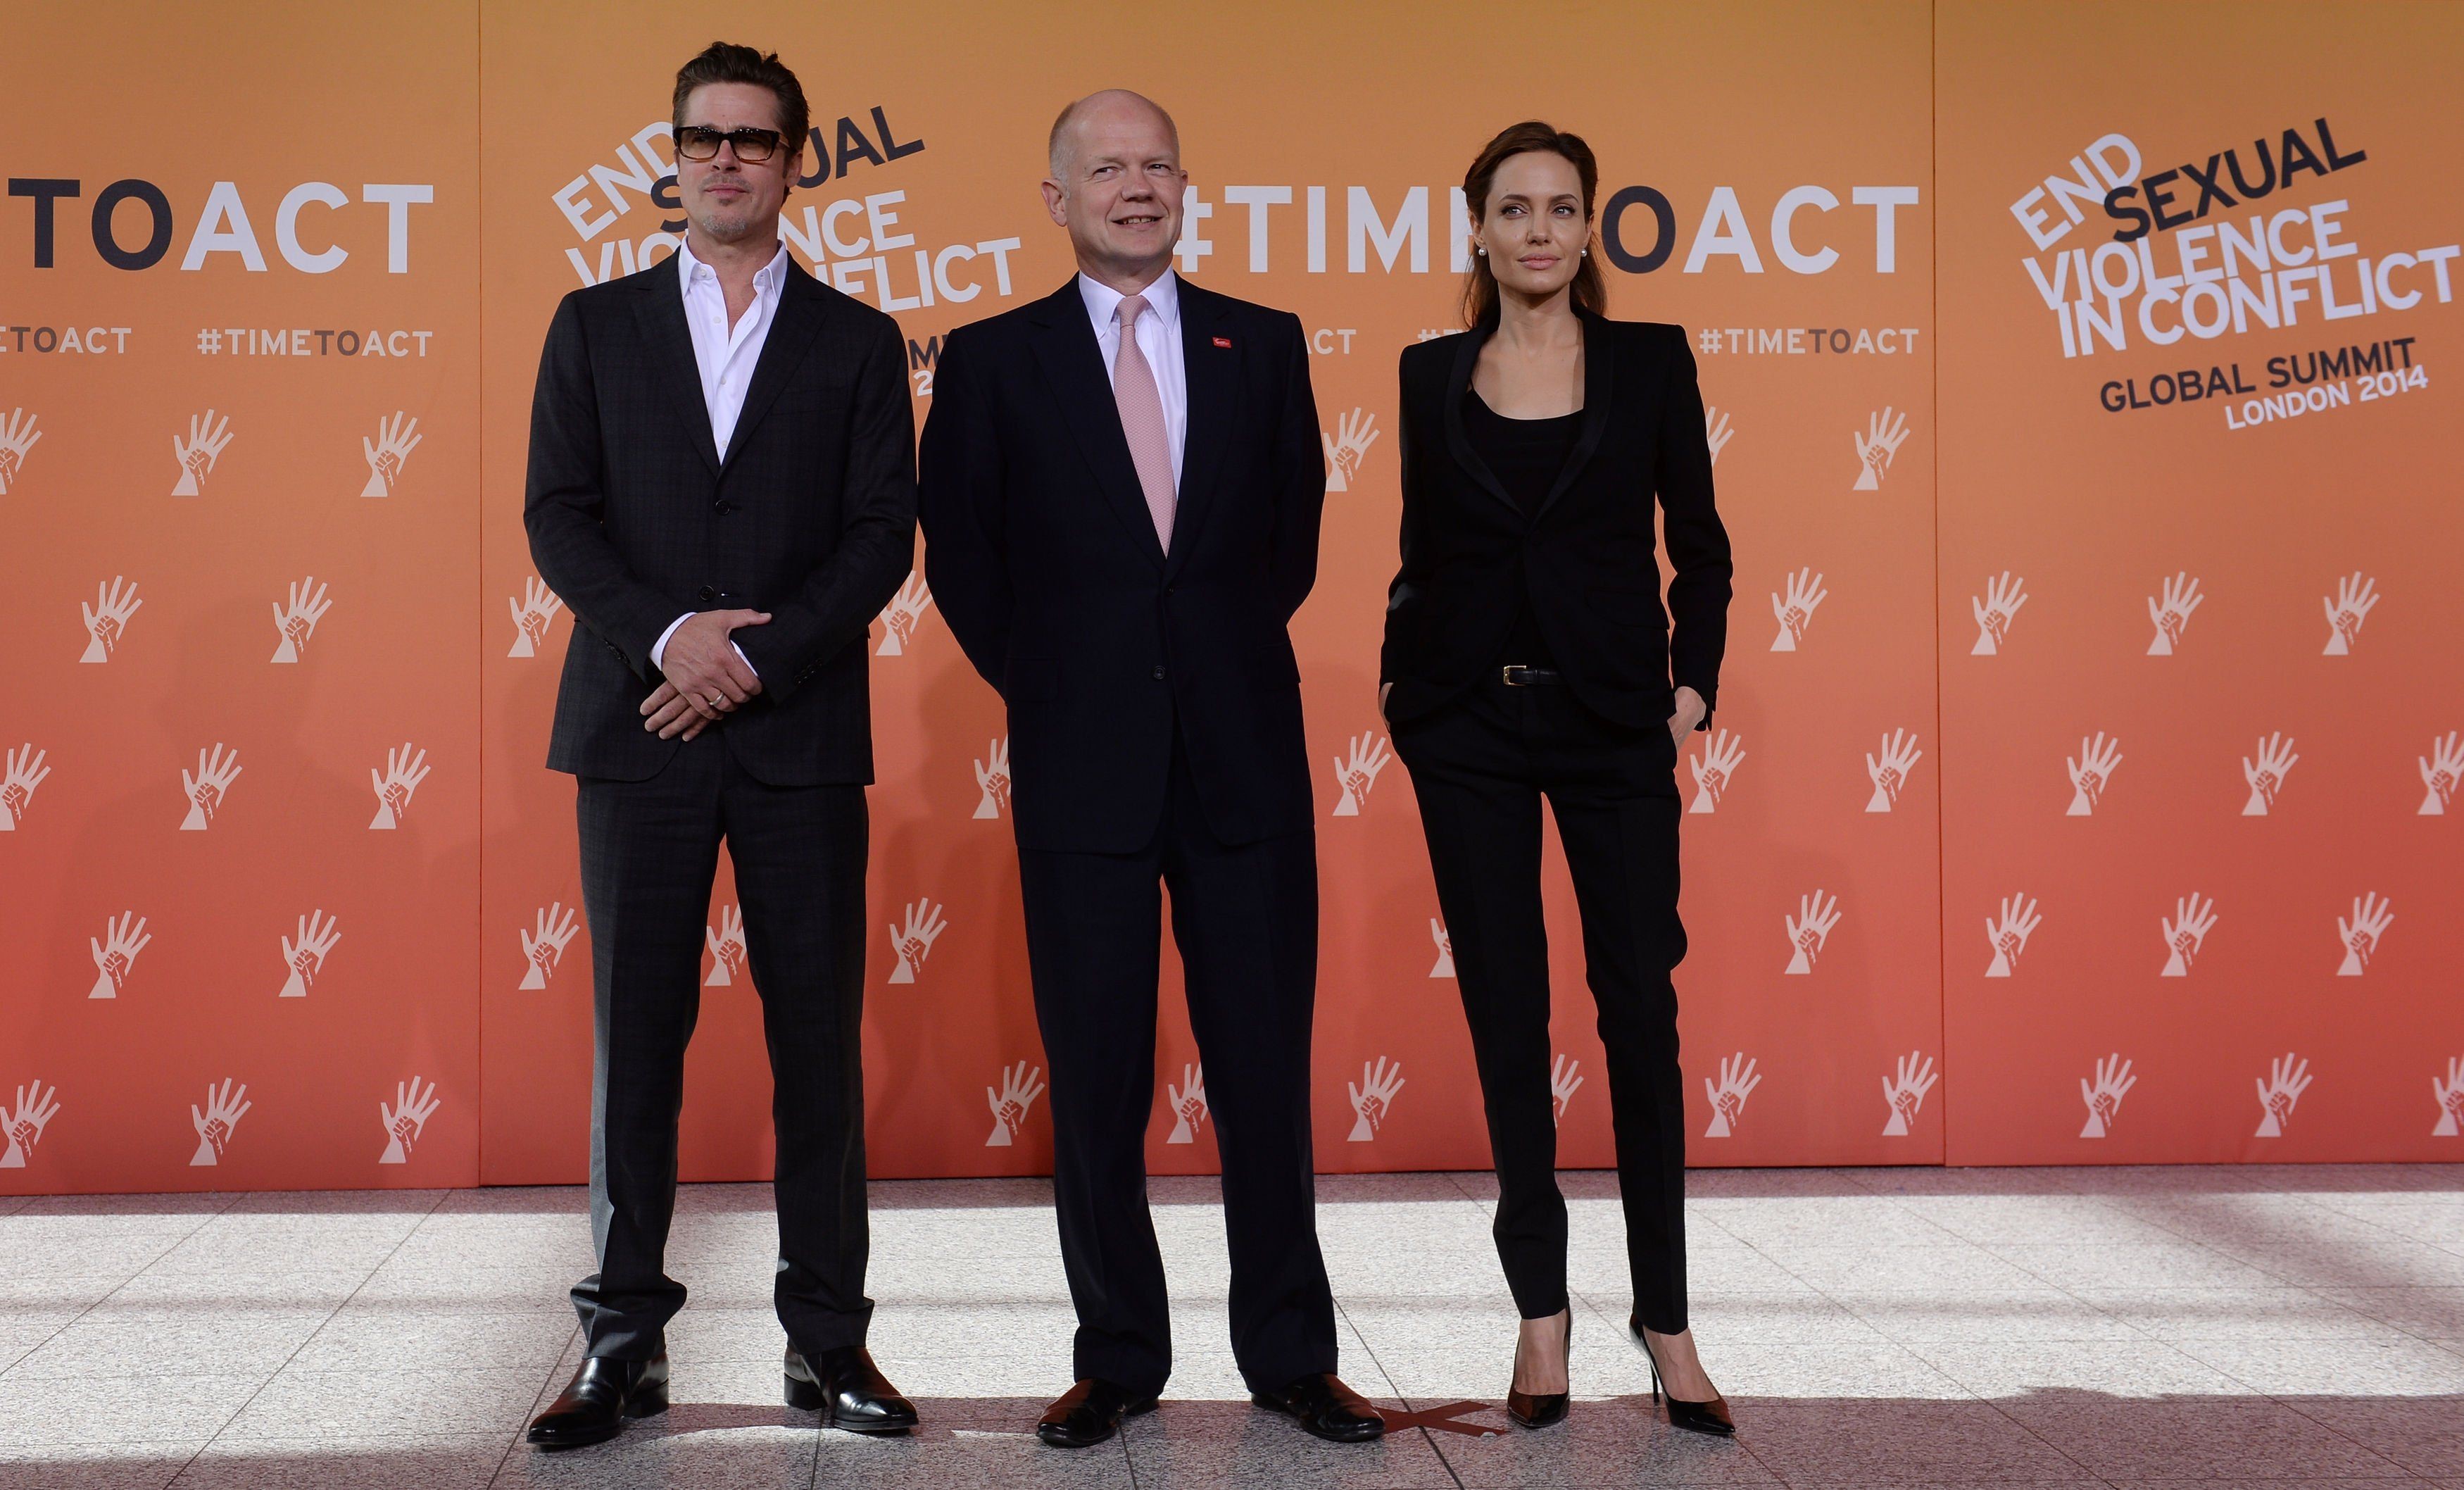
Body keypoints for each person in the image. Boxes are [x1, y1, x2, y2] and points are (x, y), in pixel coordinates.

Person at [917, 89, 1383, 1450]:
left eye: (1159, 166)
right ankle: (1118, 1356)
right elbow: (965, 557)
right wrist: (1067, 688)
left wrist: (1201, 660)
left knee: (1260, 1074)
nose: (1138, 187)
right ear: (1055, 199)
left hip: (1243, 758)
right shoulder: (994, 360)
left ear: (1188, 189)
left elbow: (1283, 547)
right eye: (1107, 168)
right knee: (1100, 1074)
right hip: (1081, 767)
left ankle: (1293, 1358)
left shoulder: (1266, 344)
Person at [519, 42, 919, 1448]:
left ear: (796, 159)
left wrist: (749, 656)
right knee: (639, 1043)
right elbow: (557, 515)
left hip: (800, 733)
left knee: (817, 1045)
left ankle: (830, 1344)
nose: (729, 158)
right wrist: (672, 638)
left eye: (756, 139)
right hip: (638, 731)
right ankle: (620, 1346)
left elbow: (882, 535)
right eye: (705, 138)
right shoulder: (593, 323)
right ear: (673, 157)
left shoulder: (860, 340)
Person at [1378, 120, 1736, 1436]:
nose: (1539, 229)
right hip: (1465, 726)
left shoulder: (1650, 363)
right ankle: (1542, 1311)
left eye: (1562, 208)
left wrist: (1691, 684)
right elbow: (1423, 553)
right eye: (1515, 208)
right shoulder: (1427, 375)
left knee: (1639, 1009)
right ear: (1476, 228)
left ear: (1590, 231)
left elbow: (1701, 548)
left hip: (1613, 728)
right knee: (1504, 1014)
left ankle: (1667, 1319)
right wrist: (1399, 680)